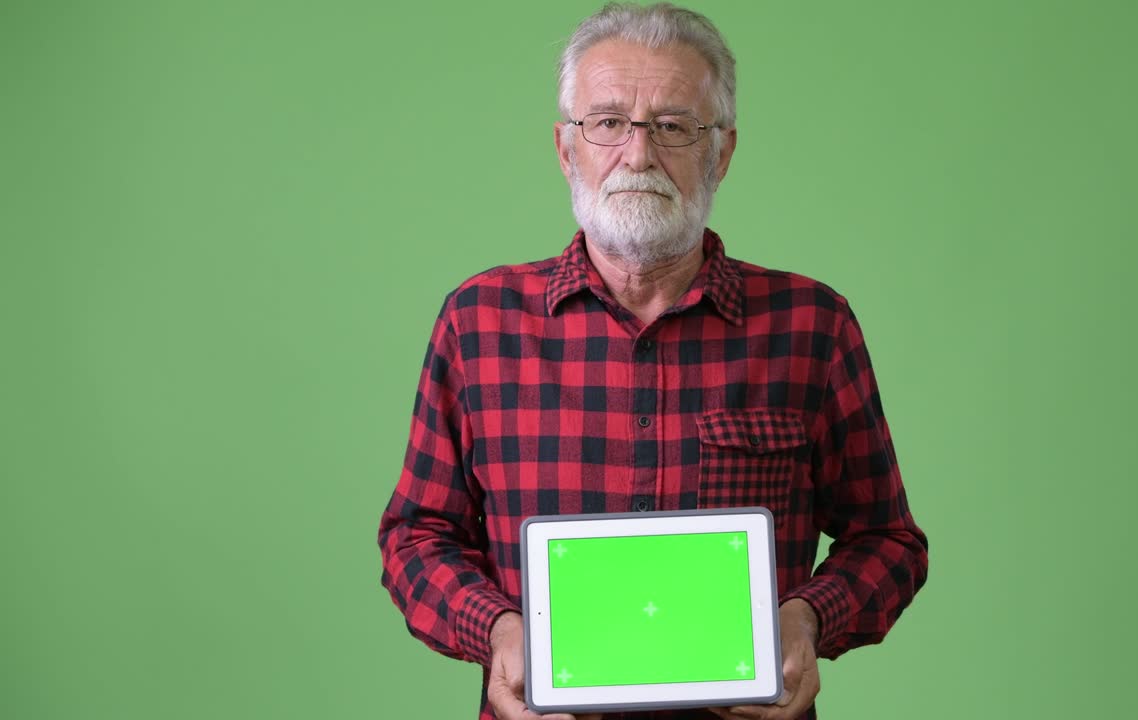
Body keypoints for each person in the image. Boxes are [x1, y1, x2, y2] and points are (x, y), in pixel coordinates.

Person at [376, 4, 929, 719]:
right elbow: (416, 537)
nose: (637, 155)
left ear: (721, 153)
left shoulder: (812, 325)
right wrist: (498, 632)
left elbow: (889, 540)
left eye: (672, 126)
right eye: (606, 122)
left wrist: (809, 616)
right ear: (565, 147)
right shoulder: (478, 323)